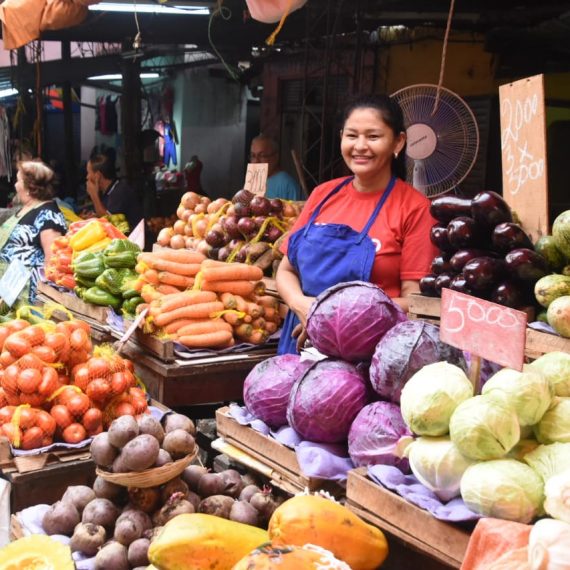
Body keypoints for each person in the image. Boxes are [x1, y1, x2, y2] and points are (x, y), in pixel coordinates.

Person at [276, 94, 438, 354]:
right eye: (352, 136)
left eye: (373, 137)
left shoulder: (415, 208)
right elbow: (286, 270)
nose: (360, 146)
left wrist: (331, 317)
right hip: (299, 339)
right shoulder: (323, 195)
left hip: (366, 348)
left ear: (398, 141)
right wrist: (300, 304)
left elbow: (415, 301)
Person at [0, 160, 67, 302]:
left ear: (29, 187)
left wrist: (45, 300)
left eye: (18, 181)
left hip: (28, 296)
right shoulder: (26, 208)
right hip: (9, 293)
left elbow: (53, 261)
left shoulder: (48, 214)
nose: (15, 185)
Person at [86, 152, 143, 230]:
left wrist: (94, 195)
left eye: (89, 173)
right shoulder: (107, 191)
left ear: (98, 176)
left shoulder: (120, 192)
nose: (87, 177)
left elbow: (110, 224)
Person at [250, 134, 303, 201]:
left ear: (275, 157)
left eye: (262, 156)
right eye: (253, 156)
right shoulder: (253, 180)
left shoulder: (286, 184)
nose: (256, 161)